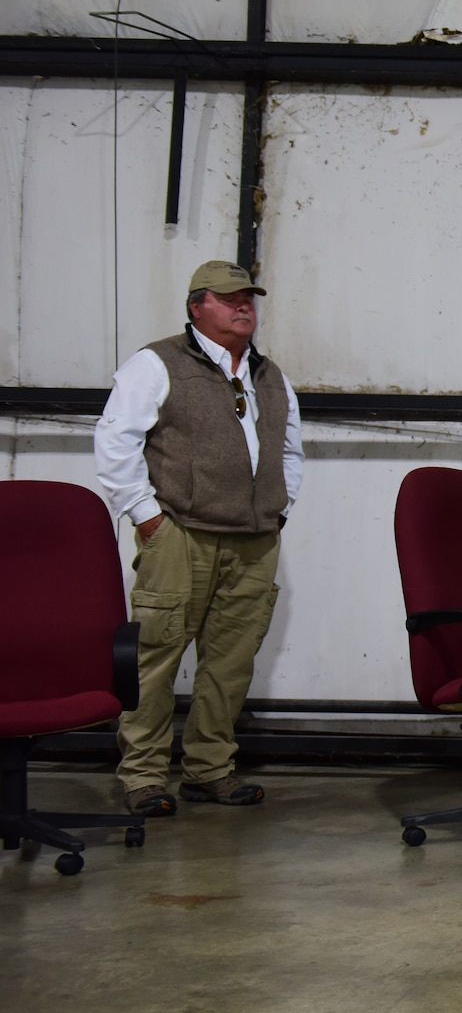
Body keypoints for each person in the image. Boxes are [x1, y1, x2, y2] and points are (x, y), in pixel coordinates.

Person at [93, 260, 304, 817]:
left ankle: (210, 770)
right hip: (180, 534)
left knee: (231, 661)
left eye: (249, 298)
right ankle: (142, 775)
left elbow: (290, 450)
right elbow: (116, 441)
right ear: (197, 307)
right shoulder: (156, 363)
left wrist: (280, 509)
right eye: (229, 297)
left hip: (255, 538)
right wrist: (147, 518)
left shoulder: (268, 373)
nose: (243, 307)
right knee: (155, 656)